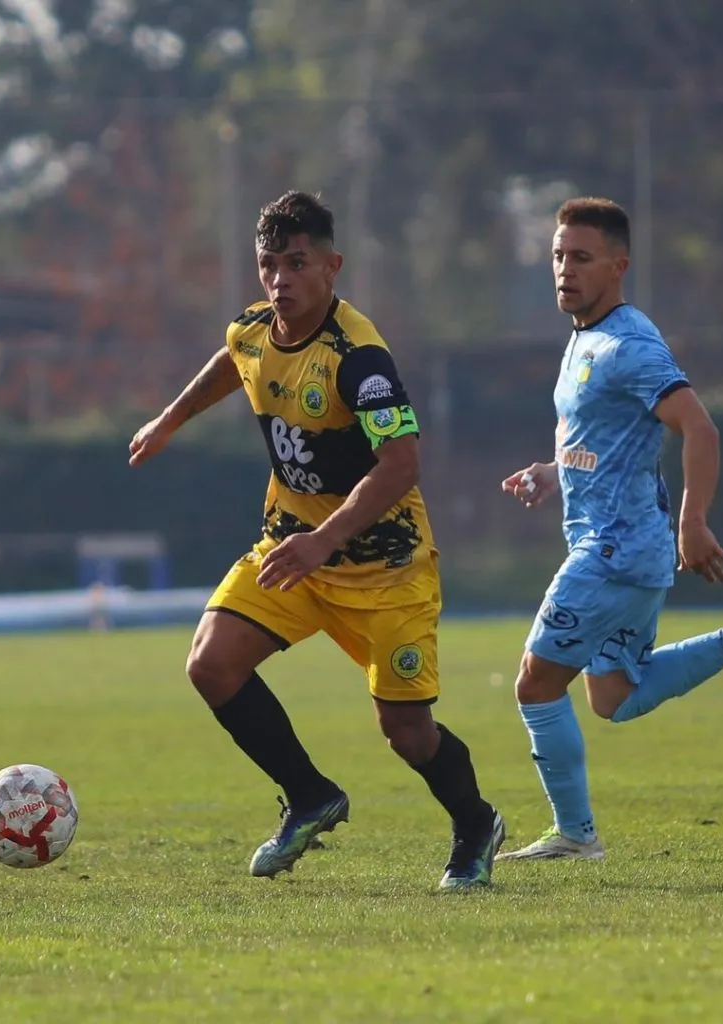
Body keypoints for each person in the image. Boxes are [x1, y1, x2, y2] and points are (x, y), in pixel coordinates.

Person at [128, 190, 504, 889]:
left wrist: (324, 540)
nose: (281, 280)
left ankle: (476, 822)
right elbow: (231, 360)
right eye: (269, 265)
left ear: (332, 266)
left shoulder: (358, 358)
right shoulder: (253, 327)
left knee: (406, 733)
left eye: (297, 264)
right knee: (211, 664)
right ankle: (310, 797)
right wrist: (169, 419)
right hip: (293, 547)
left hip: (385, 566)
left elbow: (402, 464)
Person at [496, 197, 723, 862]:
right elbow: (605, 441)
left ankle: (576, 836)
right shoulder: (583, 337)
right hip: (626, 546)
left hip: (613, 549)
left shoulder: (627, 344)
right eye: (559, 256)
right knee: (613, 696)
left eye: (581, 258)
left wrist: (693, 522)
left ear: (618, 265)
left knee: (535, 683)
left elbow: (697, 425)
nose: (564, 269)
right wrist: (554, 471)